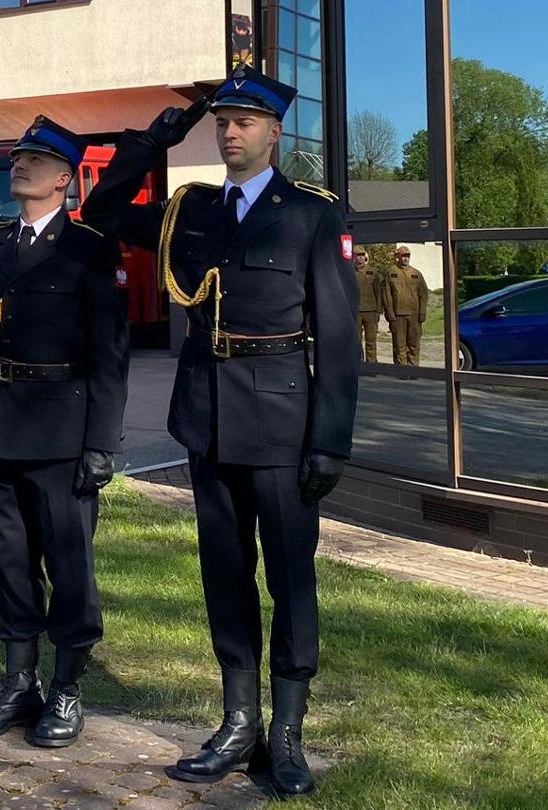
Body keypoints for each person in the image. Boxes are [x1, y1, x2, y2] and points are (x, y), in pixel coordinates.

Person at [79, 67, 359, 797]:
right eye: (222, 123)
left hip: (283, 424)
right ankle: (238, 723)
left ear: (273, 133)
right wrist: (147, 144)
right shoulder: (190, 212)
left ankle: (287, 734)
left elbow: (336, 336)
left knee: (291, 581)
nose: (230, 133)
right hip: (207, 420)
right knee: (224, 577)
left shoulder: (311, 214)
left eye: (244, 123)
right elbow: (101, 214)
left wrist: (329, 439)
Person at [0, 117, 130, 749]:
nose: (21, 165)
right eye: (19, 156)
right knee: (11, 561)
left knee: (69, 565)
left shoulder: (88, 249)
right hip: (1, 423)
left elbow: (110, 353)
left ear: (64, 179)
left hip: (64, 429)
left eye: (36, 159)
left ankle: (67, 687)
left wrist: (102, 442)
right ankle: (19, 683)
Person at [381, 246, 428, 366]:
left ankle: (413, 369)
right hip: (397, 315)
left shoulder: (416, 273)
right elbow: (387, 294)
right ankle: (402, 370)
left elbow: (423, 294)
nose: (406, 258)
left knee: (414, 344)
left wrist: (422, 312)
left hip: (414, 314)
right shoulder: (391, 272)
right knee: (399, 344)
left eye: (408, 256)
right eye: (403, 256)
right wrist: (389, 312)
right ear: (398, 257)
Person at [354, 246, 384, 363]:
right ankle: (359, 364)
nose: (360, 257)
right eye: (358, 255)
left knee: (371, 340)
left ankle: (371, 364)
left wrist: (379, 310)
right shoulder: (349, 272)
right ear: (354, 256)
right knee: (356, 340)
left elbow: (379, 292)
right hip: (355, 311)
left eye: (362, 254)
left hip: (371, 311)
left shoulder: (373, 272)